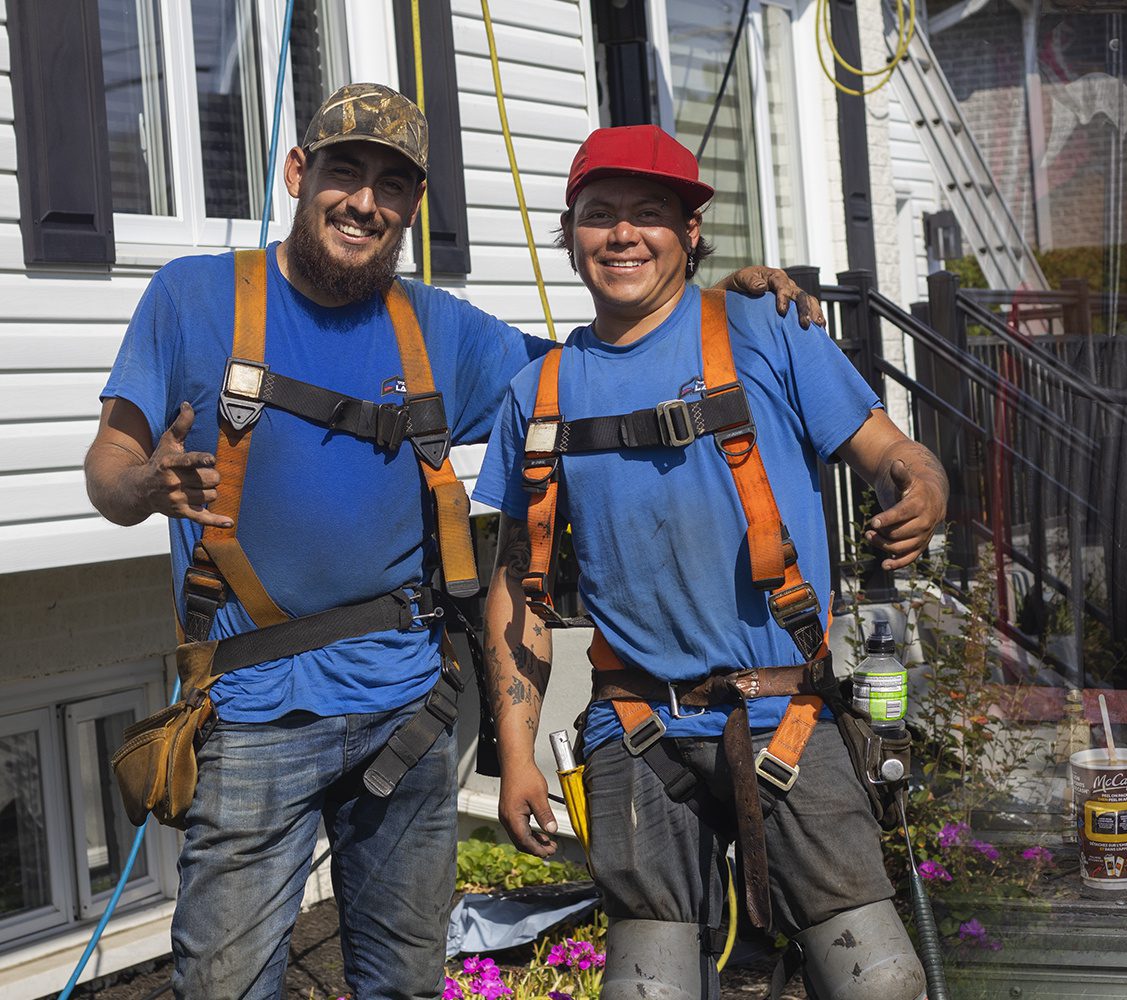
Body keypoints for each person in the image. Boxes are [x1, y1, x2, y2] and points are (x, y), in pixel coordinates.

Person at [85, 83, 825, 1000]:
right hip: (253, 716)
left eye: (391, 185)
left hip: (408, 711)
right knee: (223, 987)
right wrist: (143, 485)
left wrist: (726, 304)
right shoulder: (192, 298)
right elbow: (108, 468)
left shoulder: (441, 331)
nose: (365, 200)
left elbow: (607, 374)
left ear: (412, 209)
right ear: (296, 172)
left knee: (404, 985)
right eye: (344, 172)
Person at [475, 124, 946, 1000]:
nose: (622, 235)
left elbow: (892, 452)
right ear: (570, 233)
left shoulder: (768, 332)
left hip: (785, 718)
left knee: (879, 979)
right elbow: (517, 588)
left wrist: (922, 486)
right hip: (637, 730)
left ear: (691, 232)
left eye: (648, 214)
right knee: (648, 989)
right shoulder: (538, 394)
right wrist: (515, 755)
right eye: (598, 214)